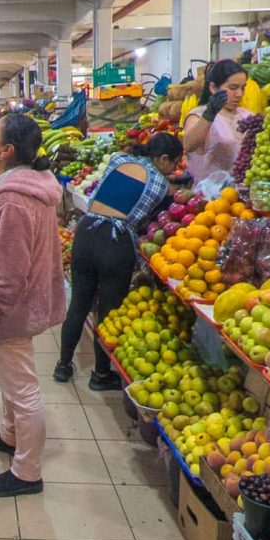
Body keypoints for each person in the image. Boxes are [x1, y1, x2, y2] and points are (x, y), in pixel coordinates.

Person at [0, 113, 67, 498]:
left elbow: (7, 277)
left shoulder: (13, 201)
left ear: (6, 150)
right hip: (24, 306)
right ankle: (10, 436)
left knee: (22, 389)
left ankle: (27, 472)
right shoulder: (28, 187)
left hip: (11, 312)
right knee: (11, 379)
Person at [54, 133, 184, 390]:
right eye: (174, 164)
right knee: (108, 311)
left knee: (79, 303)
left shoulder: (120, 159)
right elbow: (140, 218)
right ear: (164, 159)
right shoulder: (158, 182)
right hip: (115, 243)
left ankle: (63, 364)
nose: (174, 170)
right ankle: (100, 375)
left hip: (87, 232)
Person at [182, 60, 251, 185]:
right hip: (210, 197)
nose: (239, 94)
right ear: (213, 88)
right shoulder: (198, 115)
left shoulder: (247, 115)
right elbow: (188, 145)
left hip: (242, 194)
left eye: (243, 88)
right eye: (233, 88)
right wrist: (210, 113)